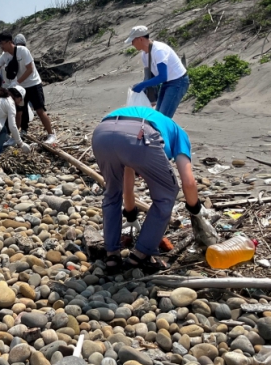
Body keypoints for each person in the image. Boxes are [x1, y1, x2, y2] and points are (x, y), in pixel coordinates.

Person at [91, 105, 218, 274]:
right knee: (167, 192)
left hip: (102, 133)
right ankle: (140, 255)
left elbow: (127, 182)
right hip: (140, 134)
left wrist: (131, 215)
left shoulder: (152, 119)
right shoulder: (180, 134)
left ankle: (112, 256)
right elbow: (188, 182)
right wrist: (196, 211)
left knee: (112, 193)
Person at [0, 31, 57, 145]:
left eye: (2, 43)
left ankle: (51, 134)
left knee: (39, 110)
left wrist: (17, 82)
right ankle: (15, 137)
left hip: (33, 84)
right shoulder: (4, 56)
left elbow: (30, 69)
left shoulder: (23, 51)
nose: (1, 46)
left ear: (10, 42)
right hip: (20, 88)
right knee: (18, 112)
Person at [126, 25, 189, 119]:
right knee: (157, 115)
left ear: (140, 39)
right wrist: (146, 93)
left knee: (162, 118)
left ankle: (166, 129)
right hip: (166, 83)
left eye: (133, 41)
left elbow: (163, 76)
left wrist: (142, 85)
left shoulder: (159, 51)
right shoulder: (144, 55)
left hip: (178, 81)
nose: (132, 44)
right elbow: (149, 76)